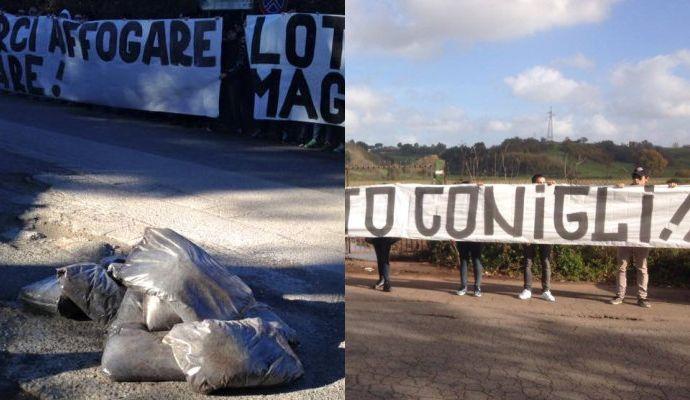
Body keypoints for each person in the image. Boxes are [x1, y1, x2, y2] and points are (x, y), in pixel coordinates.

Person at [609, 166, 677, 308]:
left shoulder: (655, 192)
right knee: (621, 266)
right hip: (624, 233)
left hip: (643, 234)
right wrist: (616, 189)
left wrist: (673, 188)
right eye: (634, 176)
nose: (635, 179)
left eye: (639, 177)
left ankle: (642, 297)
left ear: (646, 179)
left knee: (642, 267)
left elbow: (670, 201)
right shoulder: (626, 191)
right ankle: (620, 295)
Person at [518, 174, 557, 302]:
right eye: (539, 183)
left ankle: (546, 290)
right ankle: (527, 289)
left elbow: (560, 200)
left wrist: (554, 187)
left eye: (544, 183)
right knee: (528, 262)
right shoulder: (527, 197)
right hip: (530, 232)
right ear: (533, 184)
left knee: (545, 262)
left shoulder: (549, 194)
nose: (542, 185)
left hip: (545, 233)